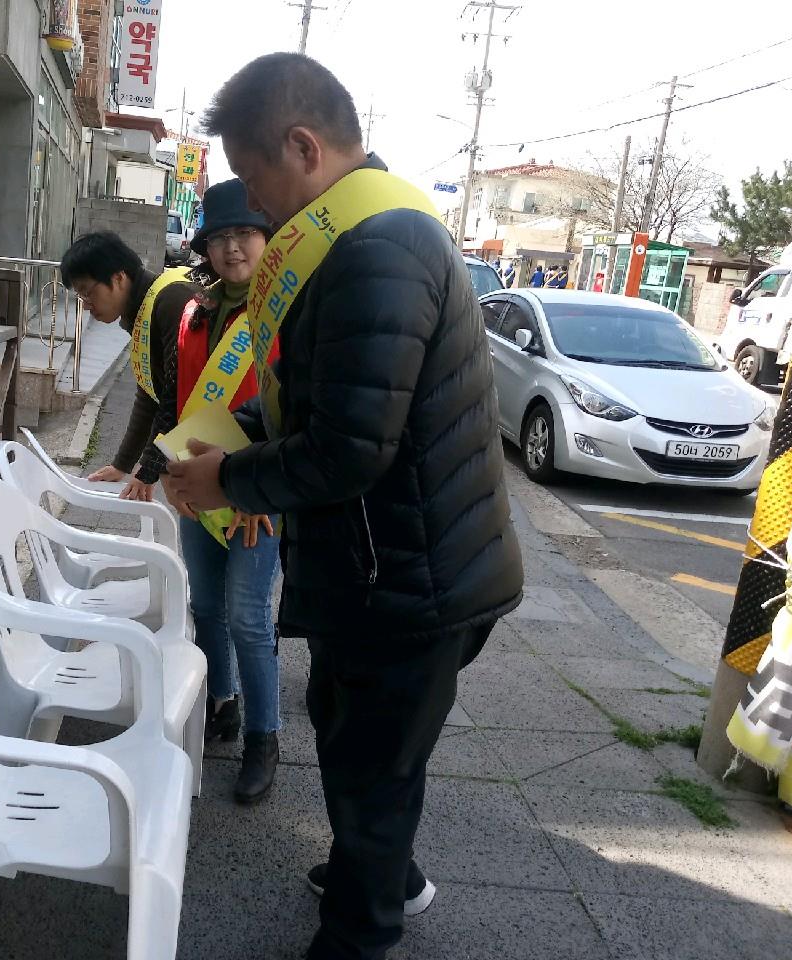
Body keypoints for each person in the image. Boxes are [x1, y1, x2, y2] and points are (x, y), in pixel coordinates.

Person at [167, 53, 524, 960]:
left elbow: (352, 448)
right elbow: (319, 399)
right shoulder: (362, 235)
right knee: (360, 741)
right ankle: (386, 872)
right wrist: (238, 430)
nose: (257, 204)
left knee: (371, 765)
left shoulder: (378, 248)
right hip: (394, 563)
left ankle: (361, 931)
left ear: (303, 145)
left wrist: (229, 481)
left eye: (255, 177)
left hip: (411, 575)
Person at [163, 178, 283, 804]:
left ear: (267, 238)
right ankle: (223, 704)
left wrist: (257, 491)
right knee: (206, 607)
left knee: (247, 618)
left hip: (259, 492)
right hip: (199, 487)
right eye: (221, 238)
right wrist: (174, 476)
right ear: (205, 248)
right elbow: (181, 403)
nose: (233, 248)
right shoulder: (193, 316)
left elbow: (291, 416)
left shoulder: (289, 312)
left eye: (245, 234)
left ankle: (265, 735)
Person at [60, 232, 199, 499]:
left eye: (88, 293)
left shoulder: (170, 302)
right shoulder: (144, 307)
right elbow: (150, 392)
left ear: (119, 277)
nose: (87, 305)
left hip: (233, 447)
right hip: (202, 443)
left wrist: (149, 469)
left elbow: (176, 395)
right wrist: (123, 464)